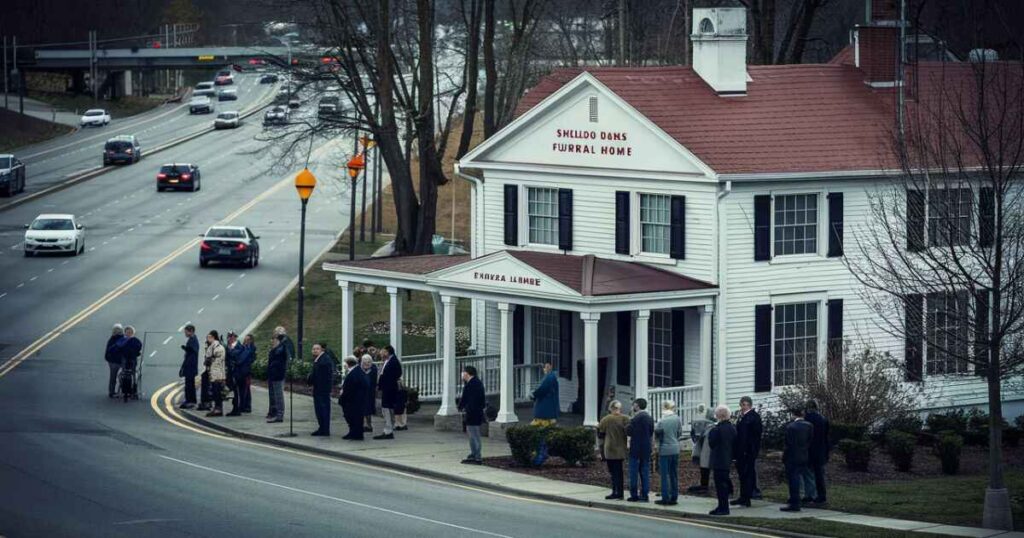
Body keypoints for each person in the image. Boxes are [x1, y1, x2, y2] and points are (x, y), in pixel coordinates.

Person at [732, 395, 762, 508]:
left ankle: (747, 497)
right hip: (743, 451)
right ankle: (743, 496)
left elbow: (751, 437)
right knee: (742, 475)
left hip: (747, 451)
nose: (743, 407)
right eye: (742, 404)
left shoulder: (752, 418)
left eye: (745, 405)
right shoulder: (744, 417)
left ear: (749, 405)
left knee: (747, 474)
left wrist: (747, 450)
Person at [782, 407, 814, 512]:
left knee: (793, 480)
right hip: (804, 455)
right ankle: (807, 496)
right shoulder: (809, 426)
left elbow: (788, 444)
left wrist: (784, 457)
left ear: (793, 415)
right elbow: (810, 441)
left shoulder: (790, 427)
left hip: (792, 456)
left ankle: (794, 502)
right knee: (806, 476)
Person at [708, 404, 737, 516]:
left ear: (719, 416)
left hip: (719, 459)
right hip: (728, 458)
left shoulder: (717, 429)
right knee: (723, 482)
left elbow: (712, 443)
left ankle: (723, 507)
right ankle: (722, 506)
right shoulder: (732, 428)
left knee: (720, 485)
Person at [597, 400, 629, 500]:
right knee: (619, 471)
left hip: (610, 449)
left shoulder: (606, 419)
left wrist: (600, 451)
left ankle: (615, 492)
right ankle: (620, 492)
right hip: (621, 449)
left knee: (613, 472)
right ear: (619, 408)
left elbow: (600, 435)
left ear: (611, 408)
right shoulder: (625, 419)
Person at [655, 400, 683, 506]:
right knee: (673, 474)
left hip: (664, 450)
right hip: (675, 448)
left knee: (664, 475)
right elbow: (679, 433)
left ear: (664, 407)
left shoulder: (661, 421)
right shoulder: (677, 419)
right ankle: (674, 496)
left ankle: (665, 497)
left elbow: (658, 435)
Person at [625, 398, 654, 503]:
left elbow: (629, 431)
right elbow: (651, 432)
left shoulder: (635, 419)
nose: (633, 407)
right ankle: (644, 495)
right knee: (645, 472)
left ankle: (634, 494)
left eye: (633, 405)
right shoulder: (649, 418)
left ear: (637, 405)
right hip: (646, 448)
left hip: (635, 449)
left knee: (634, 473)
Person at [804, 400, 830, 505]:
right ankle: (821, 496)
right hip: (821, 450)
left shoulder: (807, 419)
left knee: (808, 474)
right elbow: (826, 436)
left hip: (810, 450)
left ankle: (810, 495)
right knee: (820, 475)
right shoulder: (823, 419)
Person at [459, 365, 486, 464]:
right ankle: (474, 453)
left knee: (474, 435)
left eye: (463, 372)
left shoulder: (472, 384)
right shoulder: (475, 383)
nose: (462, 374)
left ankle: (477, 456)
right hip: (475, 412)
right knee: (472, 434)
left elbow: (466, 399)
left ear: (467, 373)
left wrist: (462, 408)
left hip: (473, 412)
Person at [266, 326, 293, 423]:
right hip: (273, 373)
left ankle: (279, 415)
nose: (276, 334)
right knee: (274, 395)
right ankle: (274, 412)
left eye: (278, 333)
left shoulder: (283, 345)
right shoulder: (277, 344)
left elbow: (283, 357)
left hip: (279, 373)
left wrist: (276, 346)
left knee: (279, 395)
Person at [375, 345, 402, 440]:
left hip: (389, 388)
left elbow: (397, 373)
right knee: (385, 408)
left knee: (387, 408)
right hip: (386, 388)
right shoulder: (387, 361)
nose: (381, 353)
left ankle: (388, 430)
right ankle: (388, 428)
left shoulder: (393, 361)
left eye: (383, 351)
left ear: (387, 352)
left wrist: (384, 382)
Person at [340, 356, 369, 440]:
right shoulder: (357, 371)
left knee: (354, 417)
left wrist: (344, 395)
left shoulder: (355, 373)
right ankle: (353, 432)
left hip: (354, 400)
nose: (344, 365)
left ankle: (356, 434)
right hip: (355, 399)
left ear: (348, 364)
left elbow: (351, 387)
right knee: (352, 417)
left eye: (345, 363)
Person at [308, 343, 334, 436]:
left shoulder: (323, 360)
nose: (315, 350)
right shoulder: (319, 359)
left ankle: (324, 429)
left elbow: (318, 376)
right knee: (320, 409)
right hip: (320, 388)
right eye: (313, 349)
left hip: (322, 389)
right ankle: (322, 428)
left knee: (322, 409)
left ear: (321, 350)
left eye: (317, 349)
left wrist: (310, 381)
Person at [687, 404, 714, 494]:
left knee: (706, 466)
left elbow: (697, 435)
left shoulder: (711, 426)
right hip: (703, 448)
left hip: (708, 449)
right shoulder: (709, 425)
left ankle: (705, 486)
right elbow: (697, 435)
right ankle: (704, 485)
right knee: (704, 467)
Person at [109, 326, 143, 398]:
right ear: (125, 333)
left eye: (130, 332)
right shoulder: (122, 340)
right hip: (124, 360)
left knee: (134, 375)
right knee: (122, 374)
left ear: (133, 333)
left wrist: (136, 353)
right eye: (127, 332)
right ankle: (122, 388)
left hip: (133, 360)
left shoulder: (136, 340)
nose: (129, 334)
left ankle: (134, 391)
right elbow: (115, 348)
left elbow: (139, 348)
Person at [229, 335, 255, 415]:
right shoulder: (243, 348)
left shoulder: (249, 349)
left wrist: (236, 360)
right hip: (241, 372)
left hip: (245, 372)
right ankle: (244, 406)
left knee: (244, 390)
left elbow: (241, 359)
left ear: (250, 341)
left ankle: (245, 406)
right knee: (243, 390)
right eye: (245, 339)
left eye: (247, 340)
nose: (245, 341)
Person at [205, 330, 226, 417]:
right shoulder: (211, 347)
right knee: (214, 391)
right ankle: (216, 408)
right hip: (213, 372)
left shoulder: (218, 347)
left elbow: (210, 358)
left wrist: (209, 359)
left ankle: (218, 409)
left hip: (218, 373)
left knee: (217, 392)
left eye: (209, 337)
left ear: (213, 337)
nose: (207, 339)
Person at [178, 324, 199, 409]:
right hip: (189, 365)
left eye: (186, 332)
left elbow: (194, 351)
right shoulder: (192, 339)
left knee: (189, 384)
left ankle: (190, 401)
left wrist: (187, 349)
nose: (185, 333)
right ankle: (190, 400)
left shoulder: (193, 340)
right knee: (189, 384)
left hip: (191, 366)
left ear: (191, 331)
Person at [105, 324, 124, 398]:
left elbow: (107, 352)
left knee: (113, 377)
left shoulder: (111, 339)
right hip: (119, 361)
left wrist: (109, 360)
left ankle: (111, 392)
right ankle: (121, 390)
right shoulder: (123, 339)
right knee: (123, 375)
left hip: (113, 362)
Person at [361, 353, 378, 432]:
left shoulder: (373, 368)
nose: (366, 363)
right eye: (364, 361)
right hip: (362, 391)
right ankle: (364, 424)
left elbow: (373, 380)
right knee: (362, 408)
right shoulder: (360, 368)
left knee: (368, 409)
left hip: (370, 392)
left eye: (368, 361)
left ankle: (369, 424)